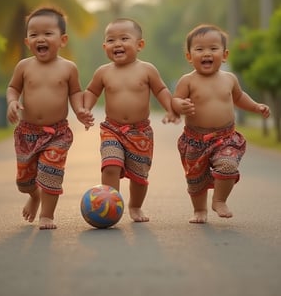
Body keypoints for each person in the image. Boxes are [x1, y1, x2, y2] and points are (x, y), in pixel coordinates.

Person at [172, 24, 270, 224]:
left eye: (213, 49)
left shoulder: (229, 79)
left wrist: (255, 107)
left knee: (228, 165)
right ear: (189, 57)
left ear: (224, 55)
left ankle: (219, 200)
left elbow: (240, 98)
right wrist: (180, 105)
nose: (206, 53)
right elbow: (175, 100)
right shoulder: (187, 81)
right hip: (194, 140)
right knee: (195, 179)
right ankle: (199, 210)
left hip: (225, 138)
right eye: (199, 49)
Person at [6, 6, 94, 230]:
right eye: (34, 34)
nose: (40, 39)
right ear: (27, 42)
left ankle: (47, 215)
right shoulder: (24, 67)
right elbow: (13, 88)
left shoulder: (68, 68)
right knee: (24, 182)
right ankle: (33, 196)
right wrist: (12, 102)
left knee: (51, 173)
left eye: (47, 33)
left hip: (57, 134)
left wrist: (80, 111)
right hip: (27, 133)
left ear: (62, 39)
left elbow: (75, 93)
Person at [83, 18, 179, 222]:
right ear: (104, 47)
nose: (117, 44)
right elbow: (91, 91)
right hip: (112, 129)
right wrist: (85, 109)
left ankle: (135, 206)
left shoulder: (147, 69)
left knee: (139, 177)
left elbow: (161, 90)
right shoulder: (103, 72)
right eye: (111, 40)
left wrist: (170, 109)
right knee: (110, 165)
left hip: (140, 132)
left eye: (124, 38)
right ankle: (109, 207)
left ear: (139, 44)